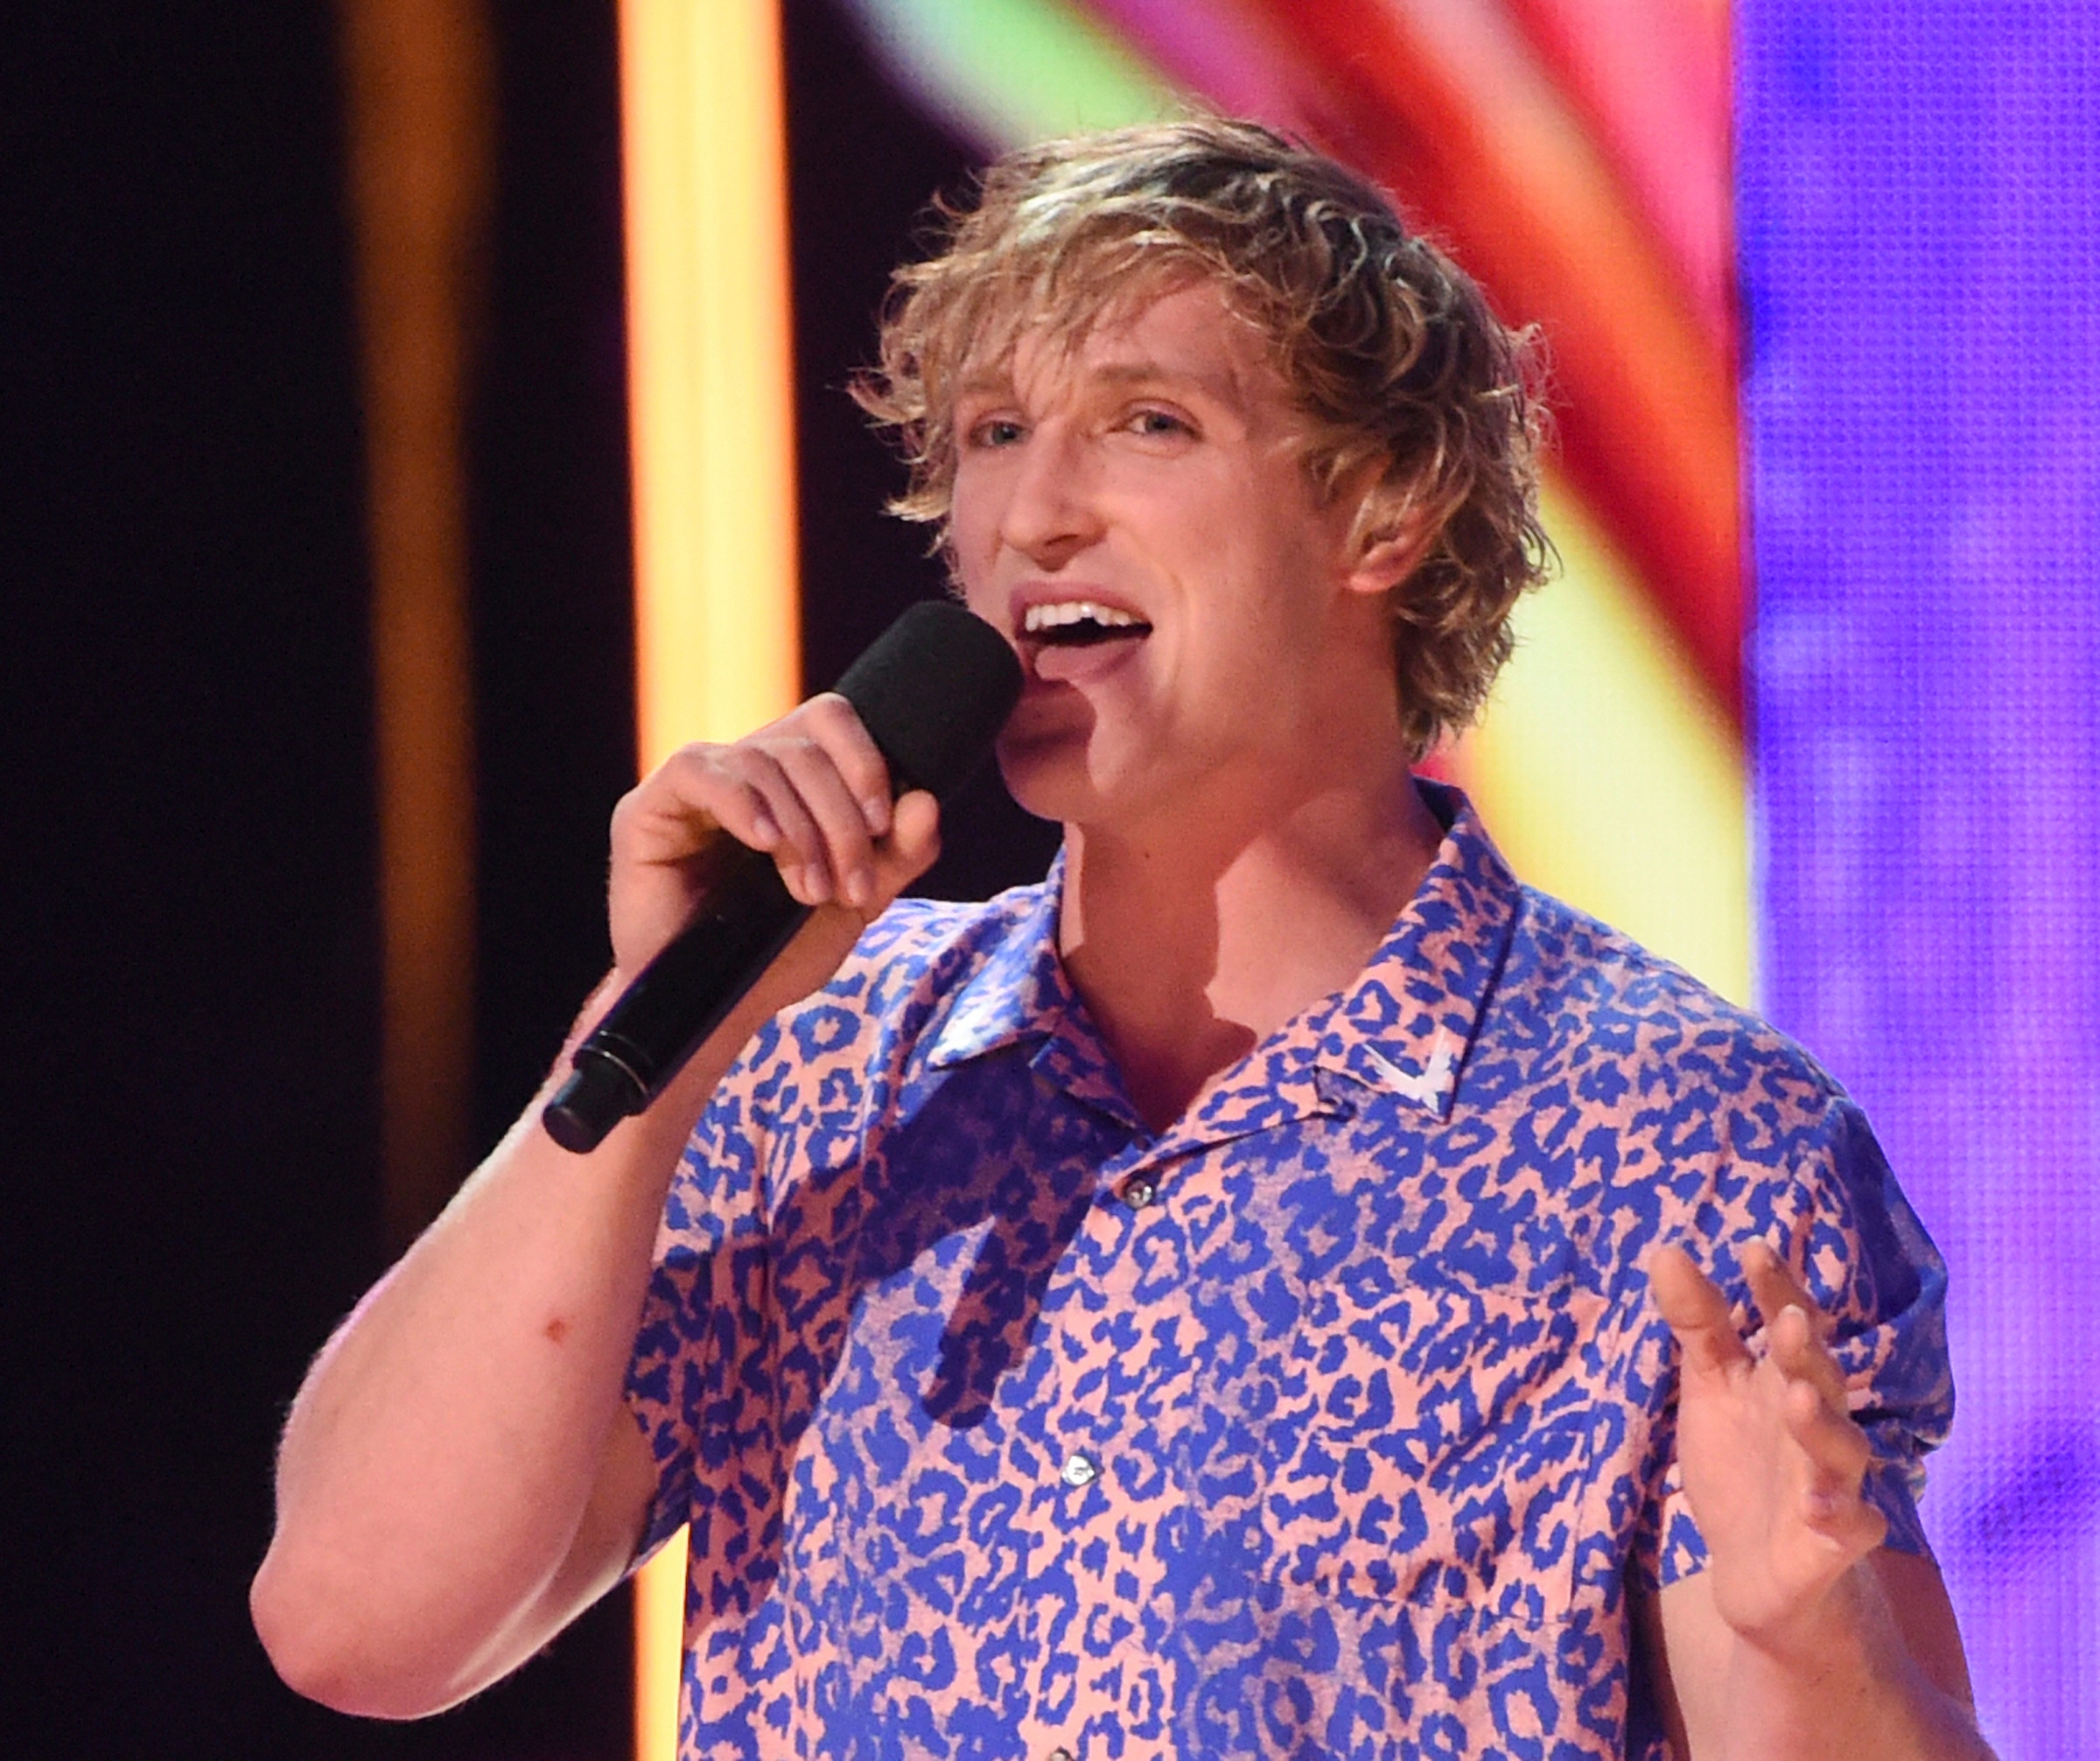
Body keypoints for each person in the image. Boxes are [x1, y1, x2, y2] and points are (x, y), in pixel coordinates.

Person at [252, 119, 1993, 1759]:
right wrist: (652, 1029)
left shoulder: (1683, 1145)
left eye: (1145, 422)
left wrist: (1805, 1638)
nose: (1032, 516)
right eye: (995, 436)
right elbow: (356, 1621)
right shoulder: (817, 1071)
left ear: (1380, 509)